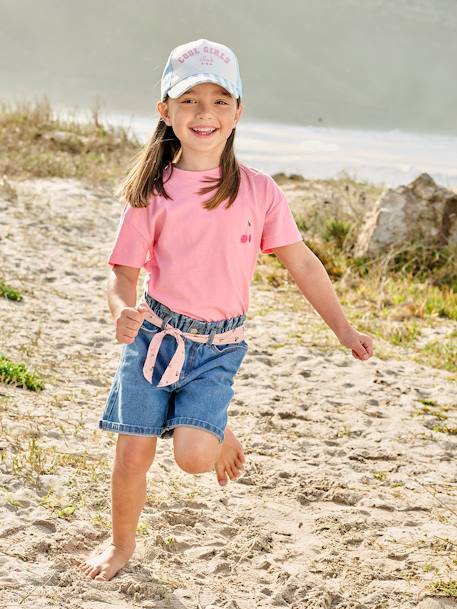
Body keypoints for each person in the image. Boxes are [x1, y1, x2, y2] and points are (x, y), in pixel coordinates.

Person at [78, 38, 374, 581]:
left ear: (238, 111)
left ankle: (209, 423)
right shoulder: (152, 189)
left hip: (218, 348)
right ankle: (120, 545)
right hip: (154, 337)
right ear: (165, 110)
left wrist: (343, 328)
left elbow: (303, 265)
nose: (204, 113)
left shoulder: (259, 192)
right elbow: (122, 272)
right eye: (189, 100)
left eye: (219, 100)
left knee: (193, 457)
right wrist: (121, 310)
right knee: (133, 454)